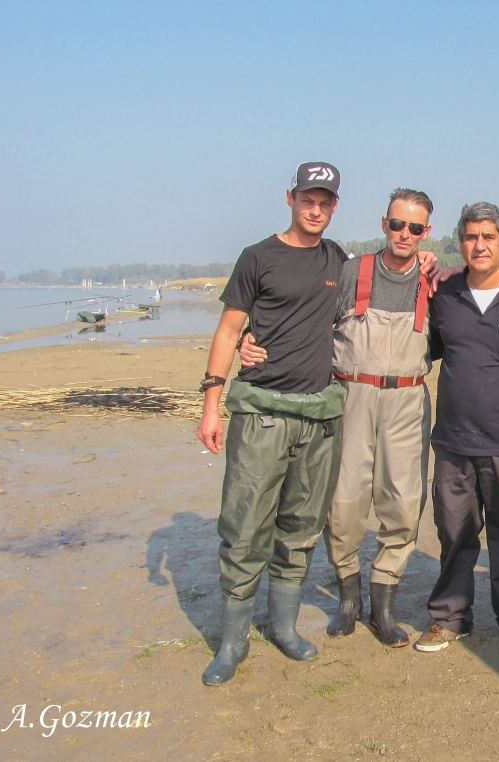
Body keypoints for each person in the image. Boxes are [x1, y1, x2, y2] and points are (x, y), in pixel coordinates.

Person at [240, 189, 436, 648]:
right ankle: (349, 600)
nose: (404, 235)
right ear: (383, 222)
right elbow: (298, 315)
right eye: (397, 224)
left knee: (405, 503)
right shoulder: (349, 273)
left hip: (407, 402)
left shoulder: (435, 281)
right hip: (351, 395)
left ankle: (384, 607)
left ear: (427, 232)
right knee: (344, 502)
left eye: (415, 228)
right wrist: (247, 338)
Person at [197, 161, 348, 686]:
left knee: (301, 527)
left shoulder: (338, 260)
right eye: (308, 198)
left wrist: (422, 256)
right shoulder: (257, 257)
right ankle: (231, 642)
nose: (316, 209)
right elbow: (228, 329)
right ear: (290, 198)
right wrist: (211, 404)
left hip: (317, 420)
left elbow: (386, 281)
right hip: (261, 413)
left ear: (334, 206)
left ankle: (283, 627)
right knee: (244, 526)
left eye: (325, 201)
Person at [413, 202, 499, 656]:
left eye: (488, 236)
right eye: (471, 237)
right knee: (454, 532)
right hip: (454, 439)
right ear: (461, 243)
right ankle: (450, 618)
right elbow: (415, 346)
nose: (480, 245)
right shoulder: (445, 295)